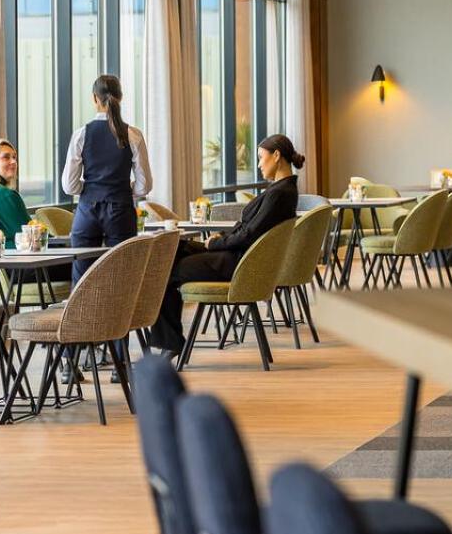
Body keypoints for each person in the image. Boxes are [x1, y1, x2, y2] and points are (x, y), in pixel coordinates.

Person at [147, 133, 304, 353]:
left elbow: (249, 234)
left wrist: (216, 244)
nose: (259, 164)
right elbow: (250, 229)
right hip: (236, 255)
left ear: (276, 156)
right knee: (175, 250)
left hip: (237, 262)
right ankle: (167, 341)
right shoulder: (282, 190)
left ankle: (171, 344)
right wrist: (220, 237)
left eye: (261, 157)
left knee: (166, 270)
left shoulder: (280, 193)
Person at [62, 74, 153, 283]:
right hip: (120, 210)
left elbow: (69, 186)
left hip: (87, 210)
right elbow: (144, 186)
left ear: (95, 98)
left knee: (82, 277)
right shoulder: (133, 134)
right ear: (120, 97)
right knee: (122, 276)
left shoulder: (81, 134)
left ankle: (82, 305)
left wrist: (90, 187)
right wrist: (122, 188)